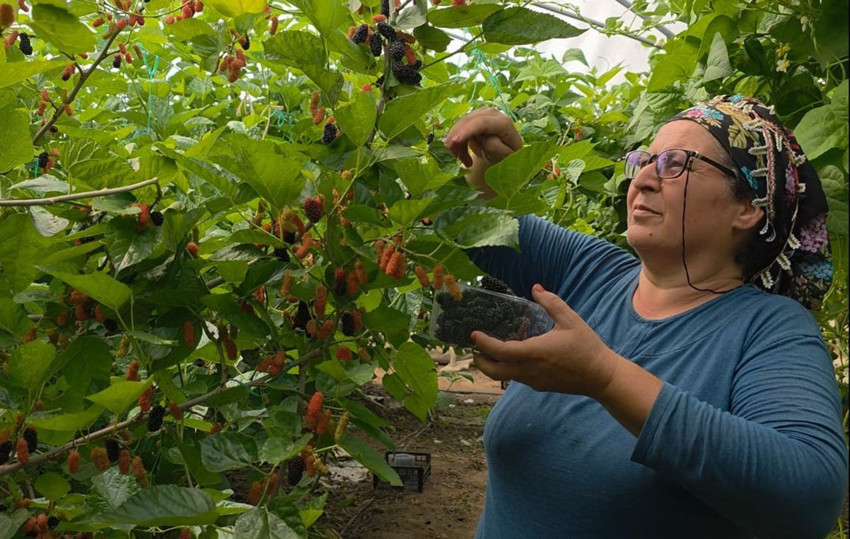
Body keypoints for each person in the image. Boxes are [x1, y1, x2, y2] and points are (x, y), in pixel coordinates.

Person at [444, 95, 847, 538]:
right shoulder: (593, 271)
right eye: (646, 160)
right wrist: (484, 162)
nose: (644, 180)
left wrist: (604, 377)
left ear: (747, 207)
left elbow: (811, 499)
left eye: (676, 163)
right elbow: (468, 221)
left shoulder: (770, 330)